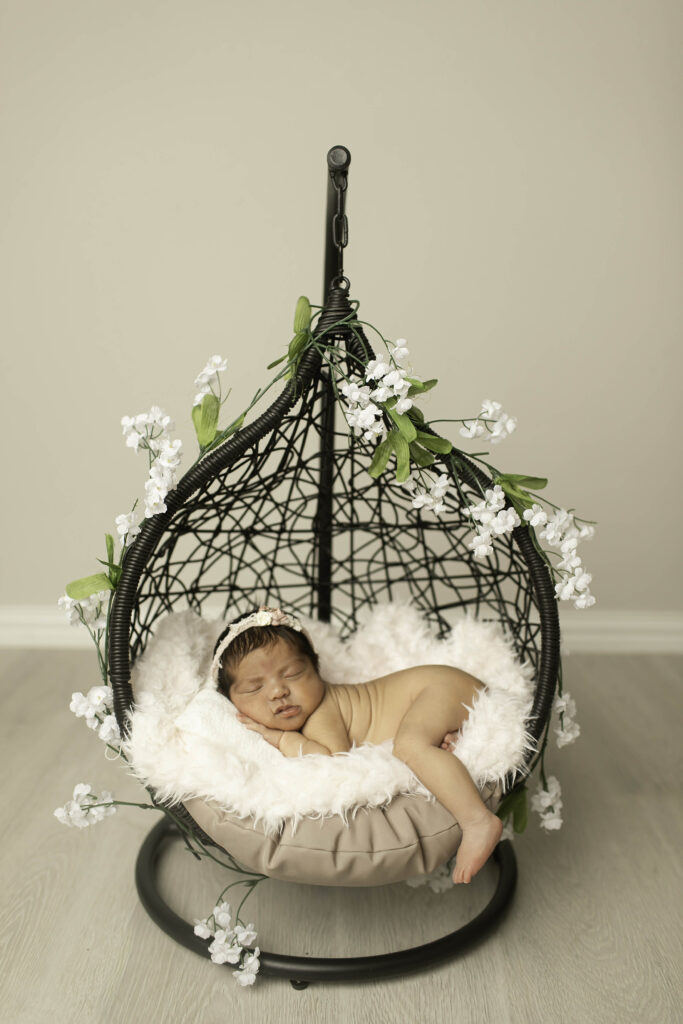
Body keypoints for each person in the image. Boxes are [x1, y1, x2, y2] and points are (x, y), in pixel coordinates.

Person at [211, 605, 503, 884]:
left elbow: (328, 759)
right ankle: (450, 732)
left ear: (316, 669)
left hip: (439, 688)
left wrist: (281, 738)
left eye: (292, 674)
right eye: (255, 687)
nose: (278, 691)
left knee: (411, 746)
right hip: (442, 689)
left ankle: (477, 821)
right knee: (418, 737)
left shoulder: (321, 713)